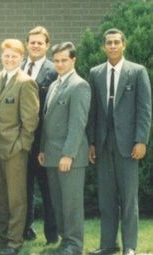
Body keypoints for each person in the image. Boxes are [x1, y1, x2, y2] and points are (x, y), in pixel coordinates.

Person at [87, 28, 151, 255]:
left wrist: (141, 140)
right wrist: (91, 142)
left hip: (128, 145)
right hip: (103, 144)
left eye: (116, 42)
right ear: (104, 47)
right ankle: (107, 245)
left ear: (124, 44)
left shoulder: (137, 72)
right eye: (109, 43)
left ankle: (130, 247)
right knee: (106, 198)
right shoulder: (95, 73)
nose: (112, 46)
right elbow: (92, 111)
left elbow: (144, 110)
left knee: (128, 198)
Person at [0, 39, 39, 255]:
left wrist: (21, 145)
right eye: (6, 55)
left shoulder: (26, 82)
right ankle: (3, 235)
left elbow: (30, 120)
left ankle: (15, 242)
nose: (9, 59)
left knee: (16, 198)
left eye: (14, 56)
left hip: (14, 149)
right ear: (1, 56)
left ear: (21, 58)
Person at [38, 42, 90, 255]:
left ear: (73, 60)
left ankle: (74, 244)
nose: (59, 64)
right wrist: (42, 149)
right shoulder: (54, 85)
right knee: (58, 203)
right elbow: (47, 121)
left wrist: (68, 154)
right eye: (56, 60)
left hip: (69, 156)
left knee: (71, 203)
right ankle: (65, 240)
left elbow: (77, 124)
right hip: (50, 154)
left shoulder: (79, 85)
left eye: (64, 60)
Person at [21, 26, 58, 244]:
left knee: (48, 190)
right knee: (23, 190)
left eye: (40, 42)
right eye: (32, 42)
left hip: (44, 141)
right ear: (26, 44)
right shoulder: (19, 67)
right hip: (22, 141)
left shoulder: (54, 70)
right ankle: (26, 230)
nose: (35, 45)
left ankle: (52, 236)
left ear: (47, 45)